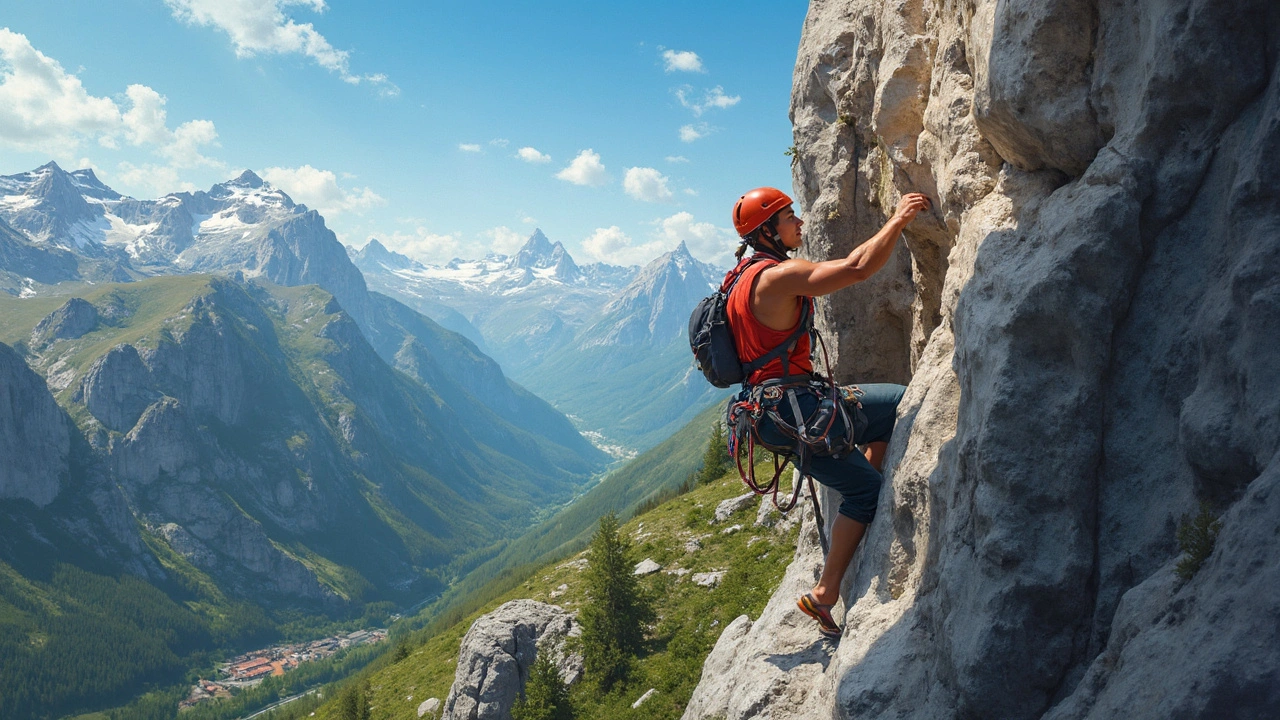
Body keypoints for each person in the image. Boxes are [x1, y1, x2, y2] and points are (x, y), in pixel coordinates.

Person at [725, 186, 930, 639]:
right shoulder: (776, 277)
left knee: (892, 404)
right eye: (788, 217)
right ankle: (824, 592)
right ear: (768, 231)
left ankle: (871, 480)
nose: (799, 223)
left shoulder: (737, 280)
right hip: (798, 410)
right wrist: (897, 219)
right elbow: (857, 268)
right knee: (865, 486)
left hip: (777, 410)